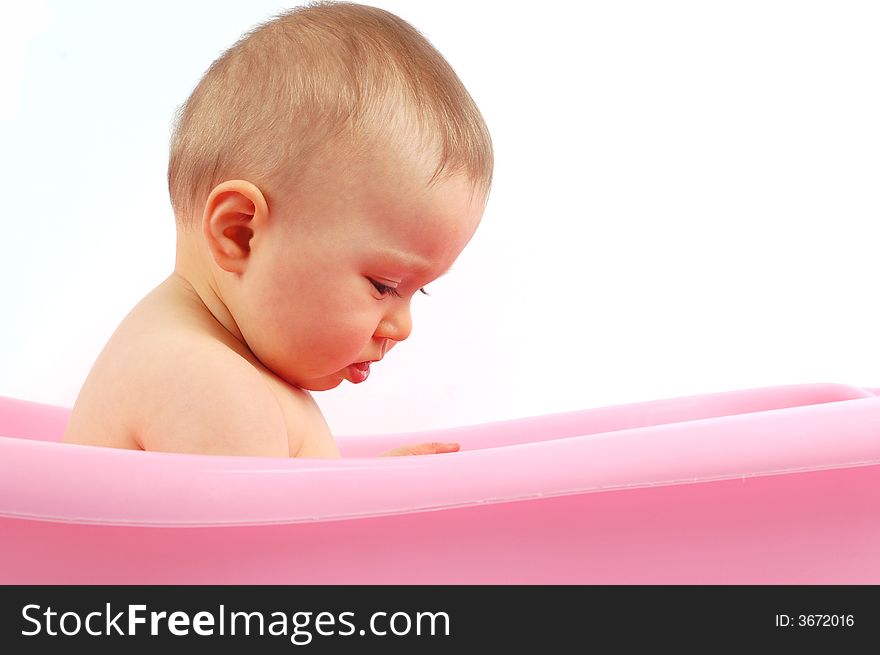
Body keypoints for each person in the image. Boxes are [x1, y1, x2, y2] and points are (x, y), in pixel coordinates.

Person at [62, 1, 493, 458]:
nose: (403, 327)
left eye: (416, 291)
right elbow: (262, 532)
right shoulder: (210, 384)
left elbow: (276, 512)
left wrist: (366, 487)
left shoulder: (222, 361)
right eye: (384, 285)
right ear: (240, 234)